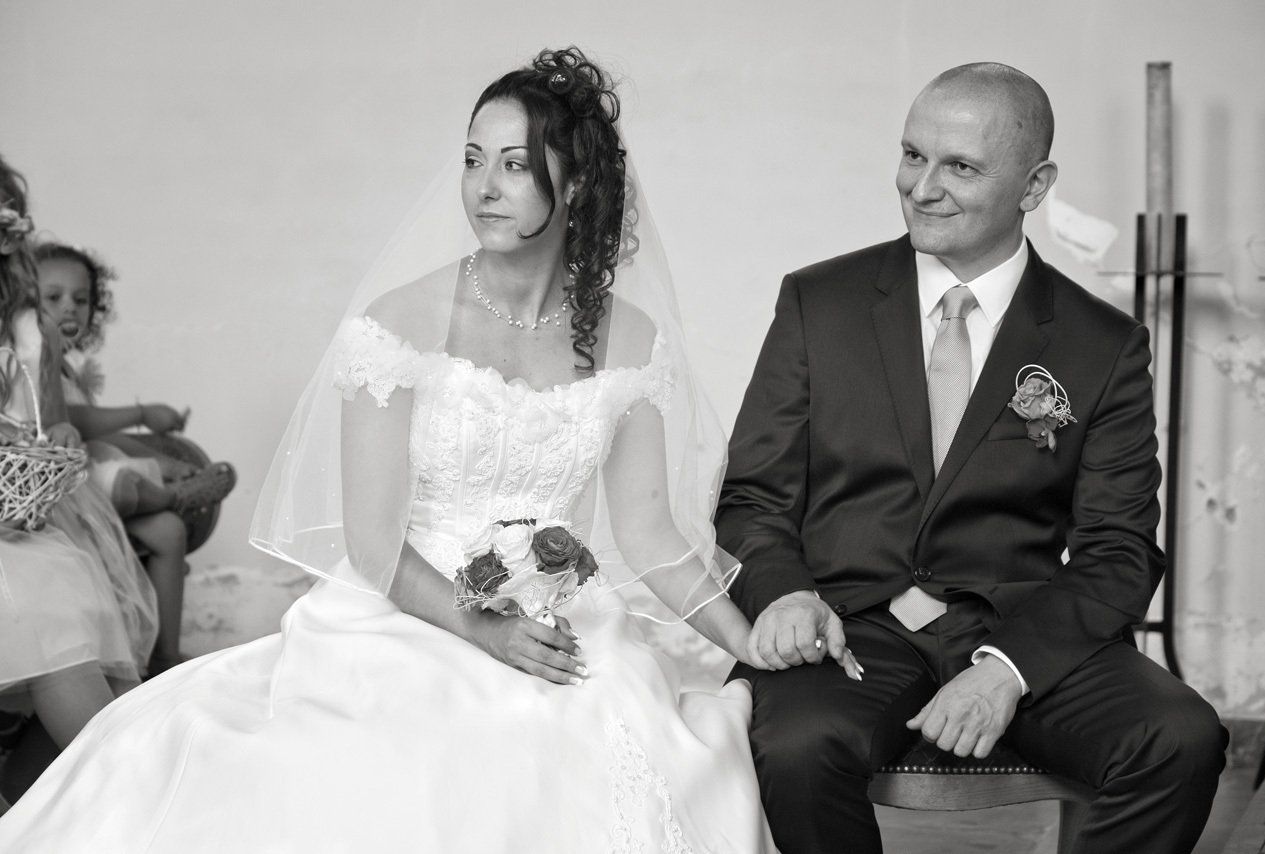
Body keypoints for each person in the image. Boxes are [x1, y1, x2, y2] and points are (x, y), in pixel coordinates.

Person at [0, 48, 793, 852]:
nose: (484, 187)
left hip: (561, 622)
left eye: (517, 167)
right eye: (474, 160)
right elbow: (374, 541)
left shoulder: (630, 339)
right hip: (405, 613)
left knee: (610, 755)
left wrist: (742, 635)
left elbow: (653, 534)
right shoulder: (398, 324)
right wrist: (485, 632)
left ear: (577, 182)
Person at [717, 62, 1227, 854]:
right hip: (851, 630)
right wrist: (783, 596)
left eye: (959, 166)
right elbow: (753, 497)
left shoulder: (1101, 344)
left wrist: (1008, 669)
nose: (922, 187)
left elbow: (1119, 552)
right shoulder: (820, 303)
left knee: (1181, 739)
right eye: (913, 155)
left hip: (1023, 627)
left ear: (1034, 184)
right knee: (792, 744)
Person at [0, 153, 157, 807]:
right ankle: (132, 789)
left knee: (67, 599)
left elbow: (53, 423)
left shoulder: (30, 329)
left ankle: (137, 786)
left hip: (24, 507)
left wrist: (54, 436)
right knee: (44, 605)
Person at [36, 241, 236, 674]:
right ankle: (172, 495)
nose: (70, 308)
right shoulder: (30, 363)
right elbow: (80, 420)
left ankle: (164, 658)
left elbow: (104, 437)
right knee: (125, 484)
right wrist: (144, 412)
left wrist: (161, 457)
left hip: (84, 482)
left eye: (82, 299)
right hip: (51, 496)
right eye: (52, 298)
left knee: (167, 533)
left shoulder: (67, 369)